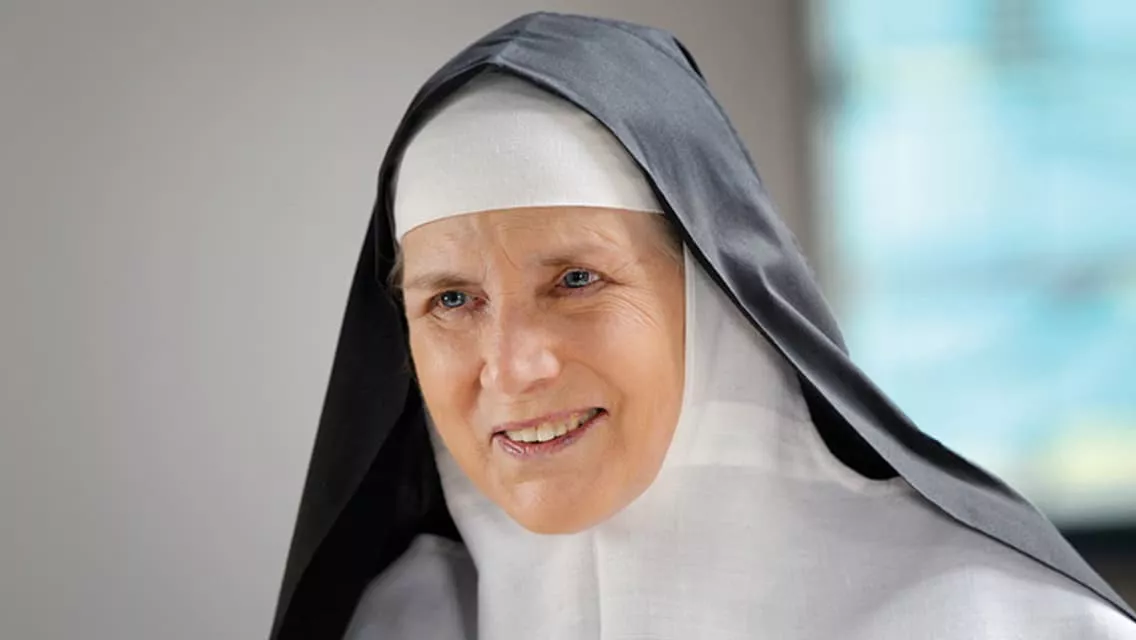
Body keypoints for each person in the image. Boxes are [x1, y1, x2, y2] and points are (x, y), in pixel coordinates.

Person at [270, 12, 1136, 639]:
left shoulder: (995, 621)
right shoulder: (400, 622)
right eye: (452, 300)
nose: (512, 365)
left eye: (577, 280)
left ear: (716, 297)